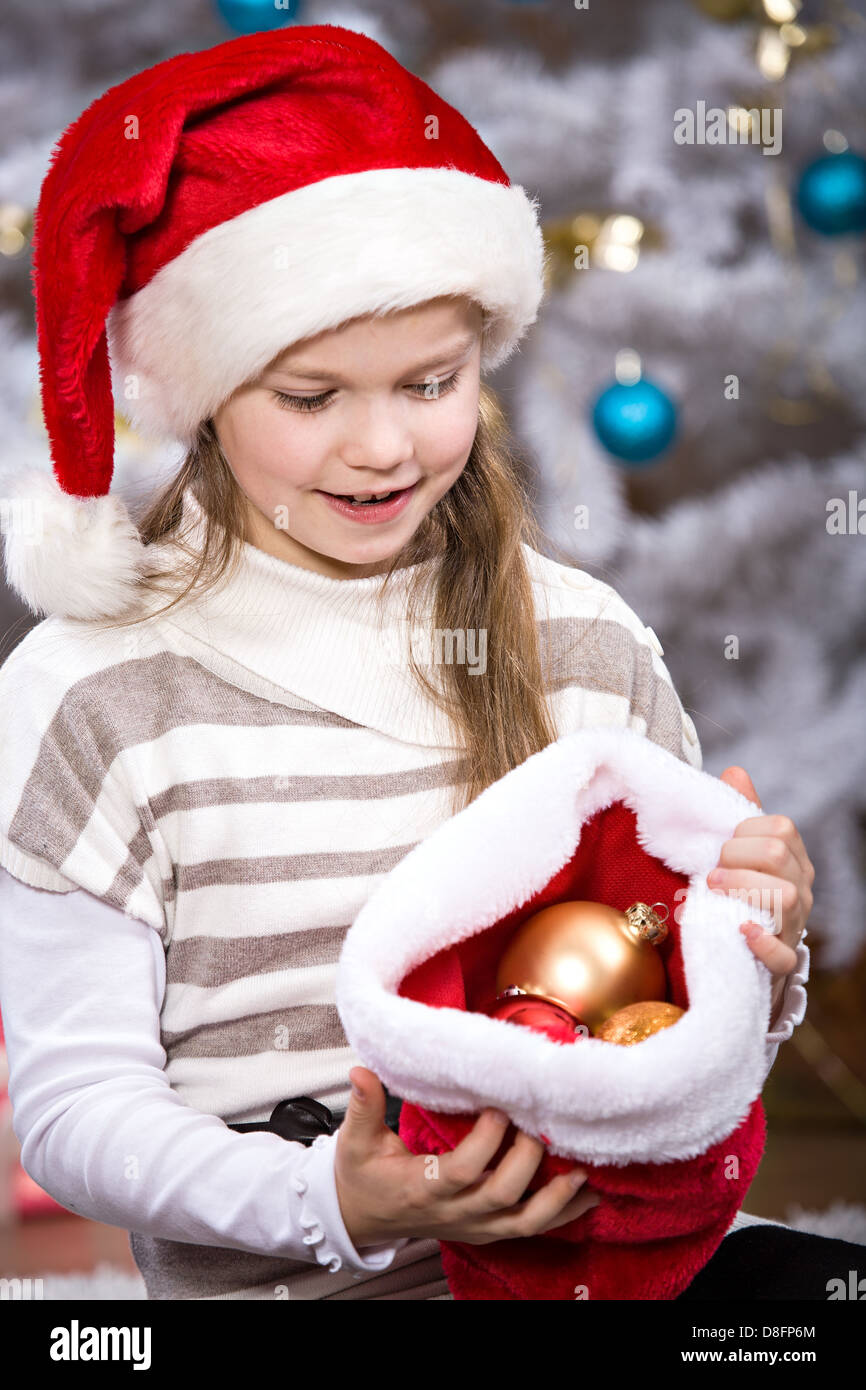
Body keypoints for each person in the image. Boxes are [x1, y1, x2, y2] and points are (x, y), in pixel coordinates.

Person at [0, 24, 813, 1301]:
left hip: (598, 1274)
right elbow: (75, 1111)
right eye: (311, 397)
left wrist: (752, 950)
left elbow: (672, 1029)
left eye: (429, 382)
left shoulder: (583, 642)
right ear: (203, 393)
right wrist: (332, 1199)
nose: (382, 447)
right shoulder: (92, 689)